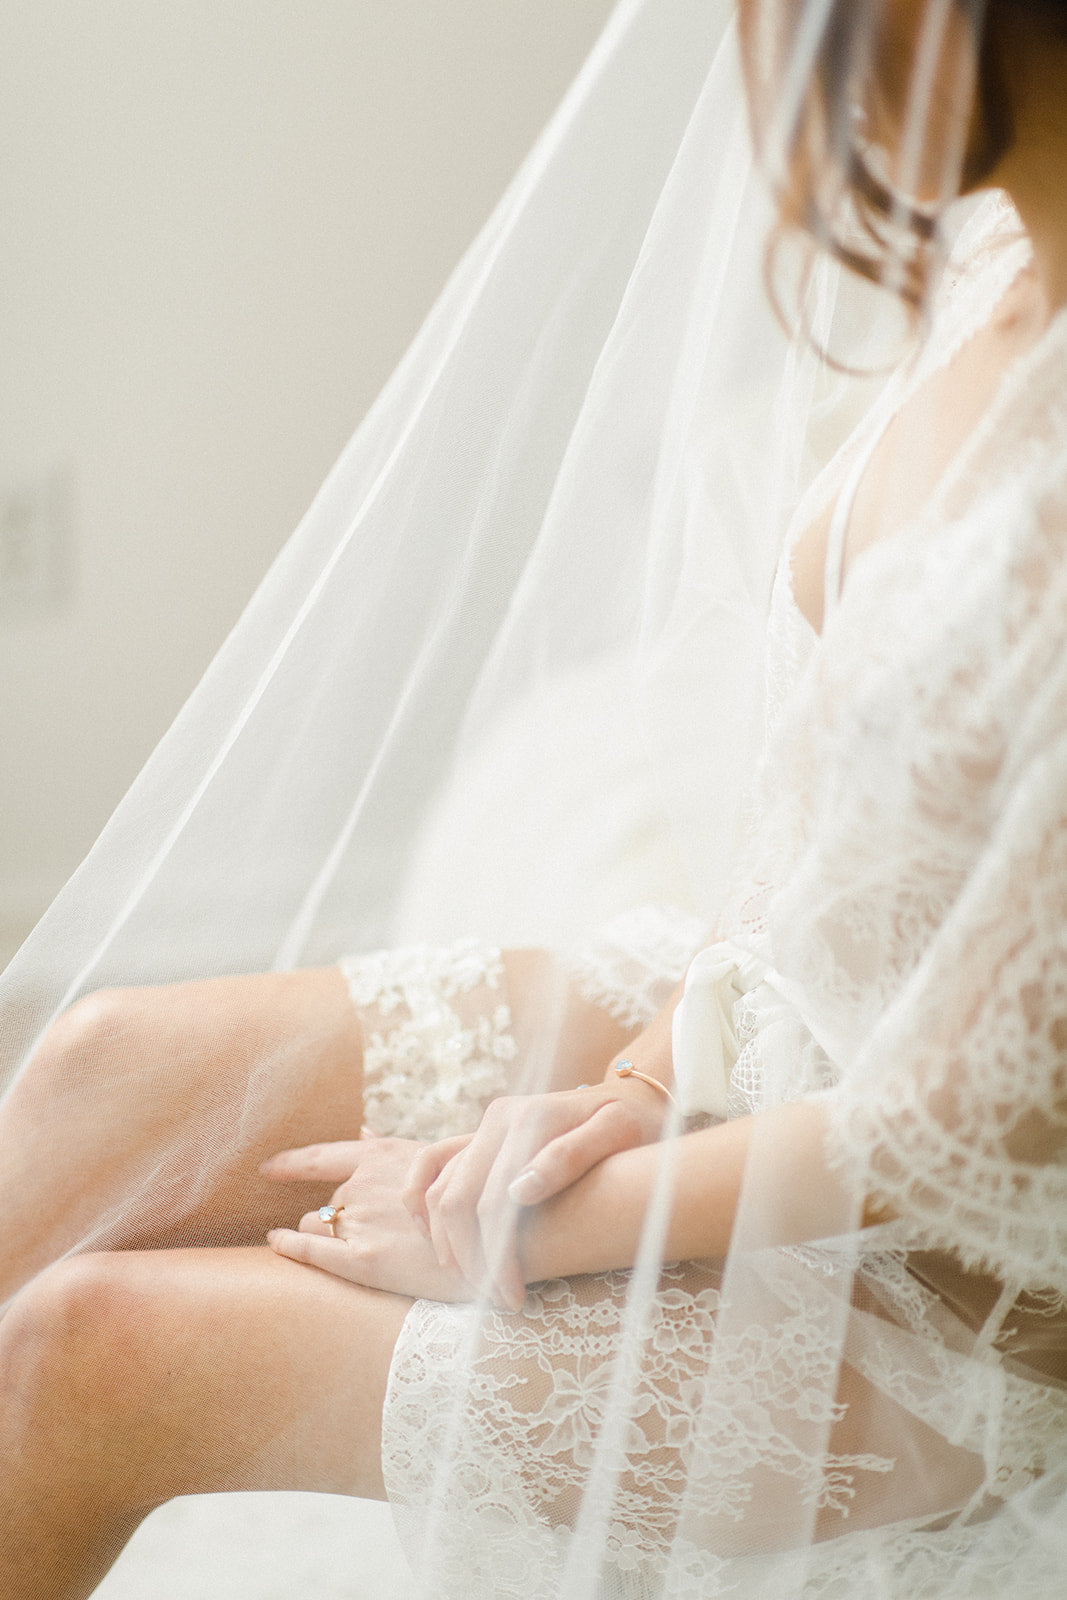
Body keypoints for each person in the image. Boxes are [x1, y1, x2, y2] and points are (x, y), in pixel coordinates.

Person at [1, 0, 1067, 1595]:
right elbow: (839, 829)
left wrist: (535, 1220)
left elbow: (991, 1125)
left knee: (86, 1359)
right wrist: (642, 1081)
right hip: (757, 1033)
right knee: (99, 1072)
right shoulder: (1000, 269)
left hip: (958, 1300)